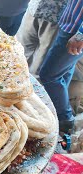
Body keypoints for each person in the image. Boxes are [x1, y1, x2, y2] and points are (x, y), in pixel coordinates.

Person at [39, 0, 83, 134]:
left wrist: (81, 34)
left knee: (48, 75)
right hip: (70, 24)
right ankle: (61, 112)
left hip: (75, 31)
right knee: (63, 72)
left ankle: (65, 120)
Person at [16, 0, 67, 77]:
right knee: (20, 48)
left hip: (55, 15)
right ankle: (13, 77)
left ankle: (31, 84)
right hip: (33, 8)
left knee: (40, 60)